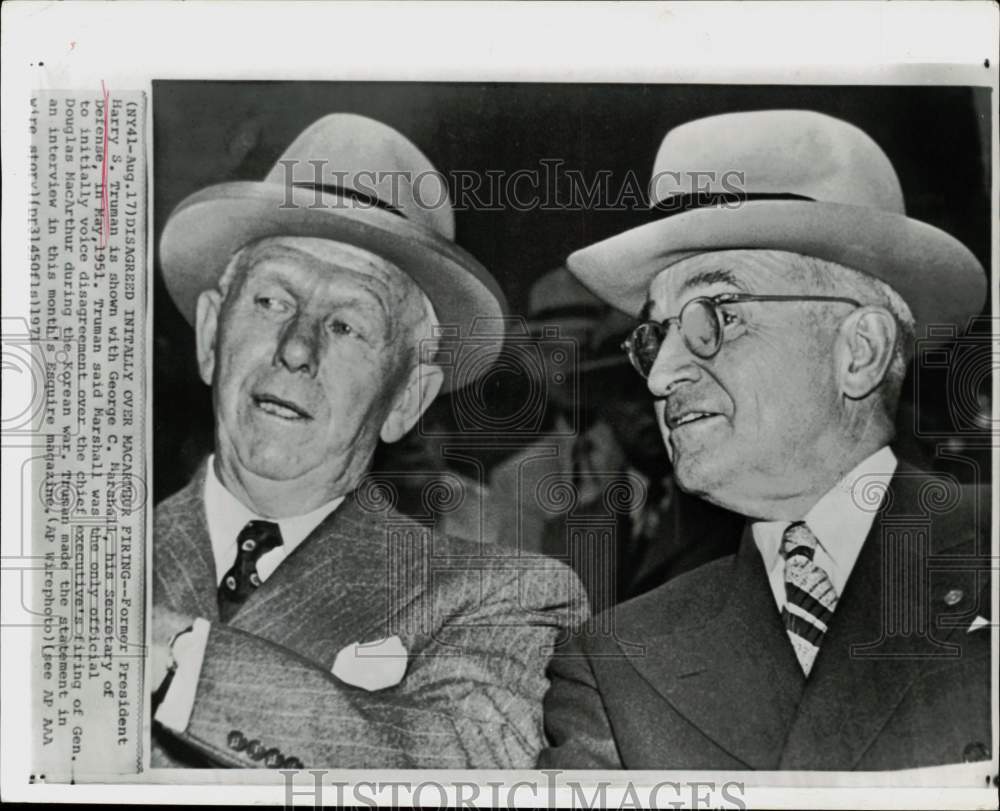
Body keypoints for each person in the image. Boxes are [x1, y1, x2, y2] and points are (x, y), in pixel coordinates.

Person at [540, 110, 991, 770]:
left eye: (716, 316)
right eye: (656, 336)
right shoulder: (614, 664)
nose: (661, 375)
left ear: (860, 350)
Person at [151, 113, 586, 769]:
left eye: (348, 325)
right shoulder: (70, 558)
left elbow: (465, 775)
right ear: (212, 332)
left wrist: (182, 660)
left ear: (407, 397)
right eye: (271, 301)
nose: (297, 349)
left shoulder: (501, 598)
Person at [485, 267, 741, 612]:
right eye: (624, 392)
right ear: (602, 402)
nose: (646, 408)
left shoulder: (730, 506)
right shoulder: (562, 528)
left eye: (650, 388)